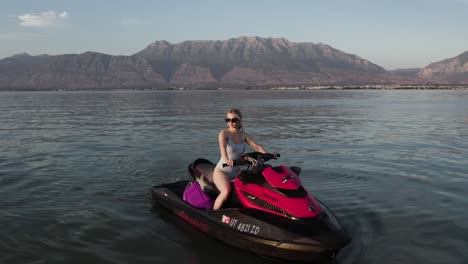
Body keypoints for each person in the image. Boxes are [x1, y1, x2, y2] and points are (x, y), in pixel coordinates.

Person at [212, 108, 274, 210]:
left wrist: (269, 155)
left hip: (236, 171)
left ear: (239, 120)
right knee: (226, 191)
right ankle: (213, 213)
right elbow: (222, 148)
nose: (230, 122)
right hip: (222, 171)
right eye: (228, 120)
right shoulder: (224, 134)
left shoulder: (244, 135)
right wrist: (226, 159)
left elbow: (256, 146)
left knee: (253, 187)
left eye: (233, 120)